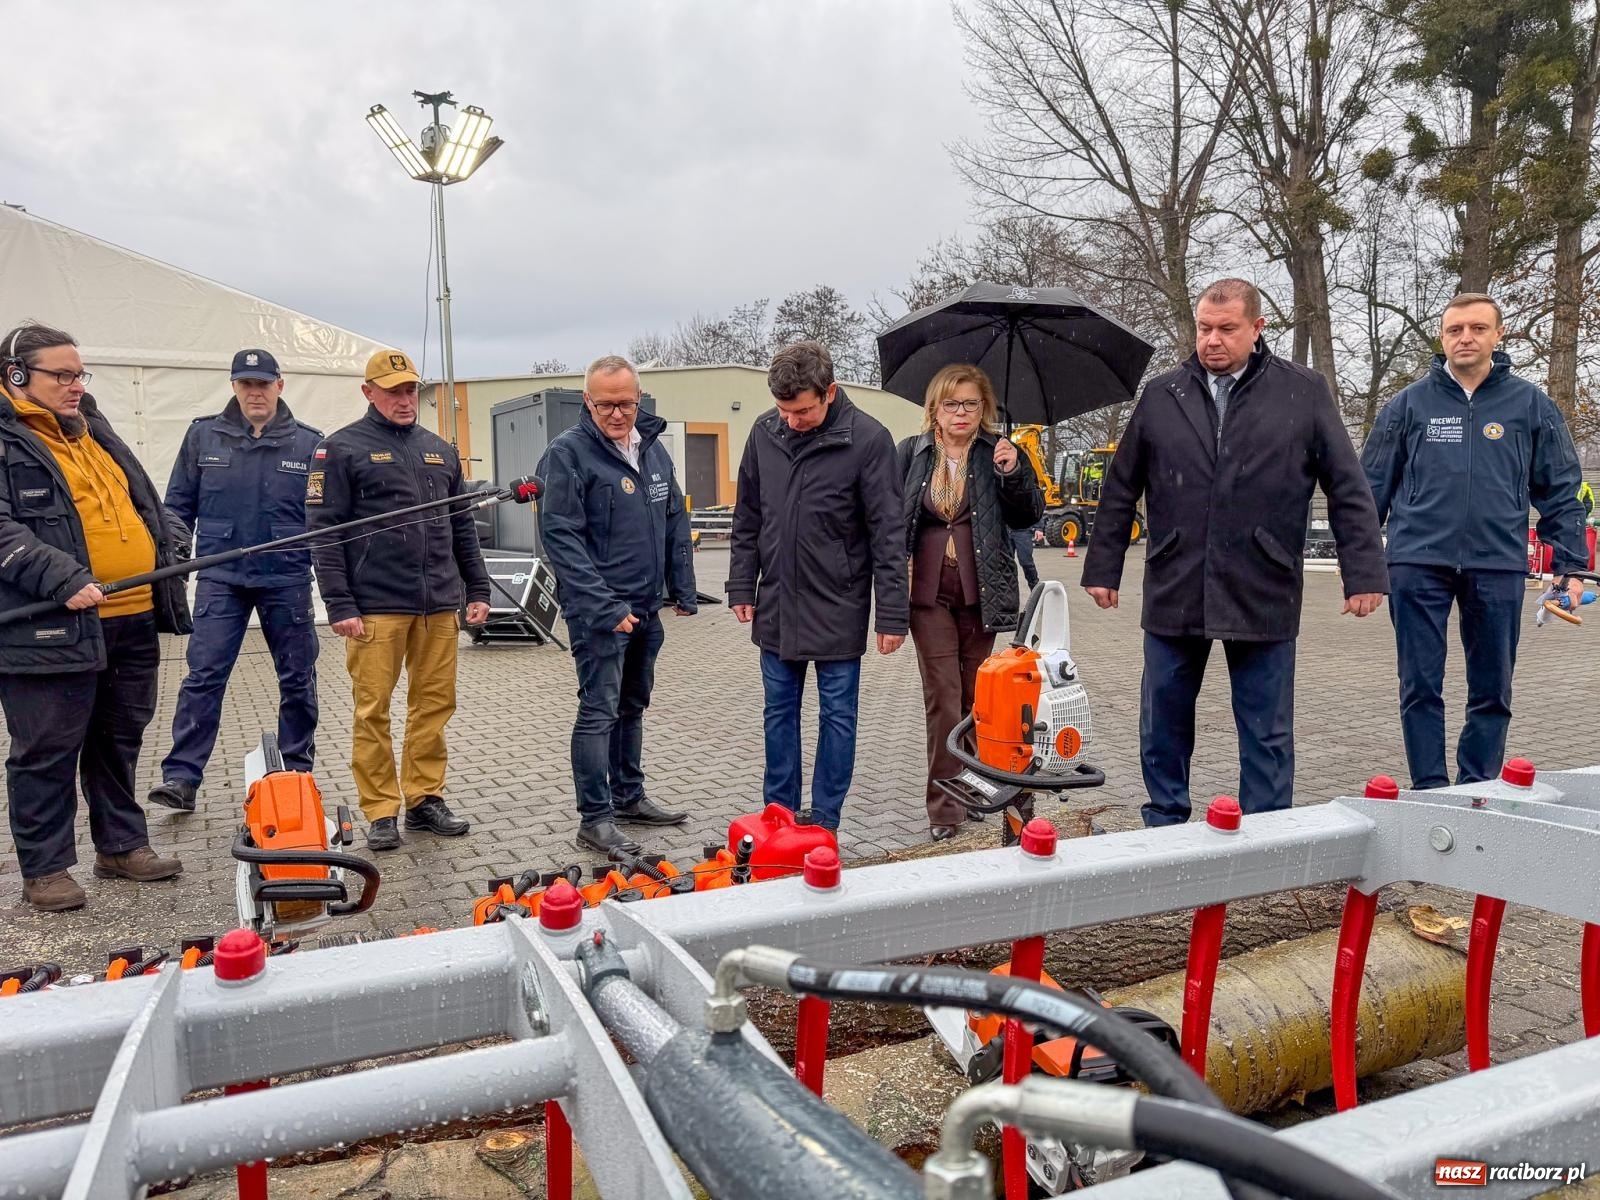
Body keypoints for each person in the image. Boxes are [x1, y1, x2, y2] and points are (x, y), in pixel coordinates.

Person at [1081, 279, 1388, 826]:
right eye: (1204, 328)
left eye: (1226, 329)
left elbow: (1348, 487)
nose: (1212, 341)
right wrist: (1103, 566)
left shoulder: (1304, 391)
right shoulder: (1163, 394)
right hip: (1178, 576)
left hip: (1263, 578)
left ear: (1257, 328)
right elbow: (1121, 486)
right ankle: (1165, 821)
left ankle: (1268, 831)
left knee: (1267, 726)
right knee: (1163, 718)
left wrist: (1363, 573)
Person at [1362, 293, 1588, 790]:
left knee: (1492, 689)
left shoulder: (1530, 405)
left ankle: (1478, 788)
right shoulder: (1409, 404)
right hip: (1416, 563)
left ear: (1497, 335)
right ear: (1442, 338)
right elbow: (1370, 484)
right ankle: (1430, 787)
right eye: (1455, 329)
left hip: (1498, 564)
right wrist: (1359, 562)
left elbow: (1563, 488)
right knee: (1420, 685)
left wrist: (1571, 567)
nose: (1465, 338)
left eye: (1477, 329)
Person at [0, 322, 188, 911]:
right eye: (62, 374)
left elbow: (141, 500)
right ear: (16, 375)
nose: (76, 384)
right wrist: (62, 577)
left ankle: (121, 845)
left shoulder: (91, 429)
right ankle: (47, 869)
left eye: (80, 373)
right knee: (46, 748)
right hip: (49, 624)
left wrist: (169, 542)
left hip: (129, 616)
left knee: (119, 738)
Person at [306, 349, 490, 851]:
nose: (405, 399)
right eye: (393, 390)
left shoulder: (439, 450)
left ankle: (425, 798)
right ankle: (381, 809)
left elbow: (462, 526)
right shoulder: (339, 449)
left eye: (410, 389)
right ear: (368, 393)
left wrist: (477, 589)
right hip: (375, 608)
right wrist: (339, 604)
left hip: (438, 606)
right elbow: (324, 532)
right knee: (373, 711)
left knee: (434, 705)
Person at [726, 340, 908, 831]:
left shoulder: (869, 440)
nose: (791, 421)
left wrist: (892, 614)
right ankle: (779, 814)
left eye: (802, 410)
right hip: (778, 602)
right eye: (784, 410)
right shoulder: (765, 431)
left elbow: (888, 534)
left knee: (838, 718)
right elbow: (748, 517)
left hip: (839, 603)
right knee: (778, 714)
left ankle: (824, 819)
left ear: (830, 392)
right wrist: (742, 585)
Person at [147, 349, 322, 812]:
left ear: (280, 386)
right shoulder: (204, 436)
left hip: (286, 575)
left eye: (263, 383)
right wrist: (177, 548)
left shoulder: (309, 444)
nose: (255, 392)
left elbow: (324, 518)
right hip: (221, 576)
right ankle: (181, 777)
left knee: (298, 677)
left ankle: (295, 771)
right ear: (233, 386)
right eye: (246, 384)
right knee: (203, 675)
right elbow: (177, 506)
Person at [536, 355, 697, 856]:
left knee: (633, 705)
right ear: (588, 401)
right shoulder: (567, 455)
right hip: (600, 614)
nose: (616, 413)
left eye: (625, 403)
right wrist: (604, 608)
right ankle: (595, 818)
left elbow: (674, 518)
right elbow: (560, 539)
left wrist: (683, 590)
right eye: (605, 404)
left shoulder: (652, 450)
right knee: (599, 710)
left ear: (639, 399)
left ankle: (629, 796)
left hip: (646, 610)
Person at [898, 364, 1043, 840]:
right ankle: (945, 808)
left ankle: (976, 785)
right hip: (928, 595)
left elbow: (1028, 516)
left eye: (971, 404)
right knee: (943, 698)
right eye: (951, 404)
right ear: (934, 409)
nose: (961, 413)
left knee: (977, 698)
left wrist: (1013, 473)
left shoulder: (998, 453)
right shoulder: (913, 454)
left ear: (985, 408)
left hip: (984, 592)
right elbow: (889, 518)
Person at [1011, 518, 1042, 591]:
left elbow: (1036, 508)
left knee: (1026, 563)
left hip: (1023, 531)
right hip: (1004, 530)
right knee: (1005, 564)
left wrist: (1038, 528)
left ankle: (1036, 592)